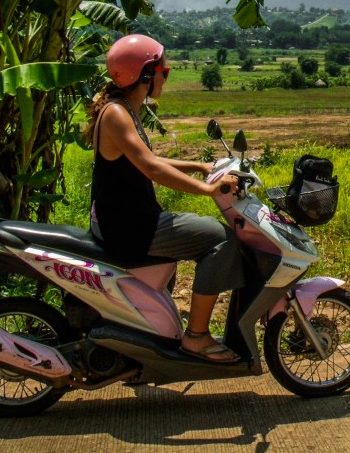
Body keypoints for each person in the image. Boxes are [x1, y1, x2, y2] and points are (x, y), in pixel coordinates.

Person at [85, 34, 243, 363]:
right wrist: (208, 189)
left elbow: (146, 159)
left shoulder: (125, 109)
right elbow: (151, 168)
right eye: (163, 69)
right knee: (223, 239)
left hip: (125, 221)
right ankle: (197, 337)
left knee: (204, 233)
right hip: (132, 228)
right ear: (144, 74)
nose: (165, 75)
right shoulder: (117, 114)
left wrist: (199, 165)